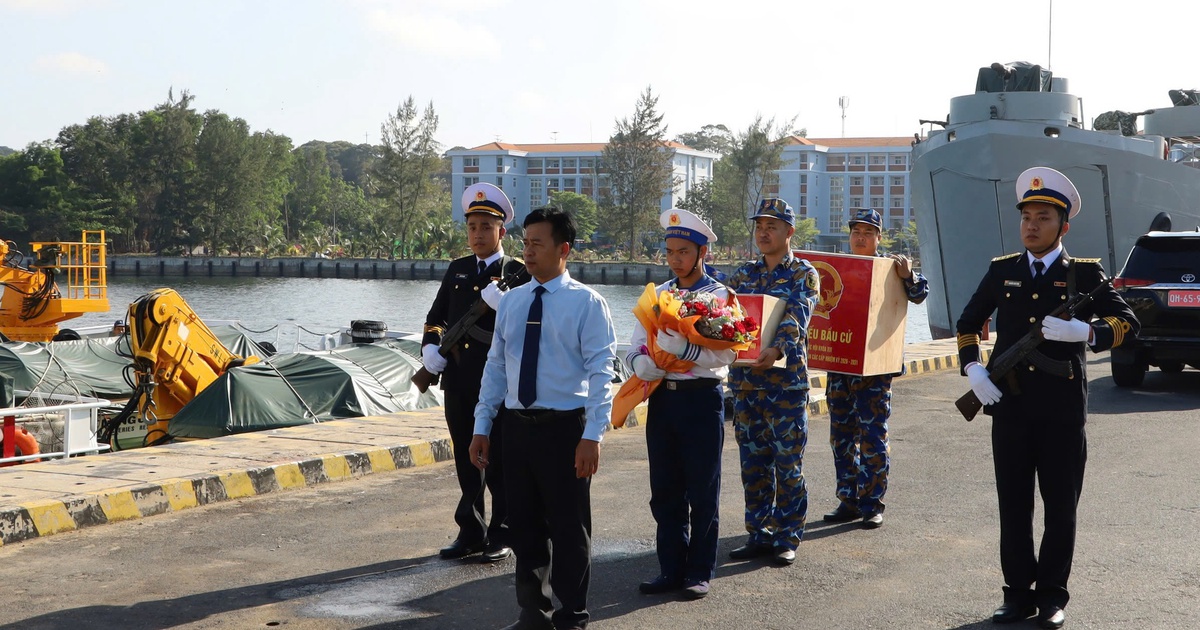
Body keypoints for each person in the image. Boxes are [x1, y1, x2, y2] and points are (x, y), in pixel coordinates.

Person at [957, 167, 1138, 629]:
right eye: (1026, 217)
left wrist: (1088, 332)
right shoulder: (1004, 271)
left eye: (1042, 217)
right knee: (1013, 506)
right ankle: (1016, 595)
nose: (1032, 225)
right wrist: (974, 369)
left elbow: (1128, 323)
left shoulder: (1083, 274)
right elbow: (967, 323)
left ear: (1063, 226)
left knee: (1061, 508)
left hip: (1061, 412)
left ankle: (1052, 596)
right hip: (1010, 409)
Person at [468, 207, 617, 630]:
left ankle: (573, 614)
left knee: (569, 528)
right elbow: (496, 367)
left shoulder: (587, 304)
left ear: (562, 249)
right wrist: (483, 427)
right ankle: (533, 612)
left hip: (565, 429)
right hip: (516, 429)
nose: (527, 252)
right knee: (525, 527)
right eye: (525, 242)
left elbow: (601, 372)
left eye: (537, 243)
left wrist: (593, 435)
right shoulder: (512, 302)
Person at [629, 209, 737, 600]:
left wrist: (689, 348)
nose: (675, 258)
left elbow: (727, 356)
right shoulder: (660, 295)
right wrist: (638, 361)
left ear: (702, 252)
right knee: (665, 490)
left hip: (700, 401)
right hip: (663, 399)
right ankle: (670, 569)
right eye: (670, 251)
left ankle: (698, 570)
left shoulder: (721, 297)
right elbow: (636, 341)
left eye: (683, 251)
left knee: (702, 490)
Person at [421, 182, 529, 563]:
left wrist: (505, 306)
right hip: (460, 379)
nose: (478, 234)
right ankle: (470, 529)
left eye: (486, 227)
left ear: (502, 231)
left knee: (498, 457)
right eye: (472, 227)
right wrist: (430, 347)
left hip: (498, 382)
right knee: (466, 457)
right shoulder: (458, 269)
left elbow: (528, 328)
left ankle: (502, 530)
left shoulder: (517, 272)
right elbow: (436, 318)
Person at [725, 198, 820, 566]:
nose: (764, 233)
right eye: (760, 226)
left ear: (789, 232)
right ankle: (758, 533)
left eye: (773, 226)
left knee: (787, 464)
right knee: (753, 464)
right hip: (746, 384)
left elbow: (798, 315)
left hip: (785, 385)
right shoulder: (742, 275)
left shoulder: (803, 273)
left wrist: (778, 348)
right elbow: (728, 315)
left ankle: (787, 535)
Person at [822, 208, 929, 529]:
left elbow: (920, 293)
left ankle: (871, 503)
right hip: (840, 365)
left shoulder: (892, 267)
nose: (861, 237)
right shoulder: (840, 266)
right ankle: (848, 499)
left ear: (879, 238)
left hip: (875, 369)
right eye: (856, 232)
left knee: (872, 437)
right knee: (841, 437)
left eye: (868, 233)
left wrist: (908, 275)